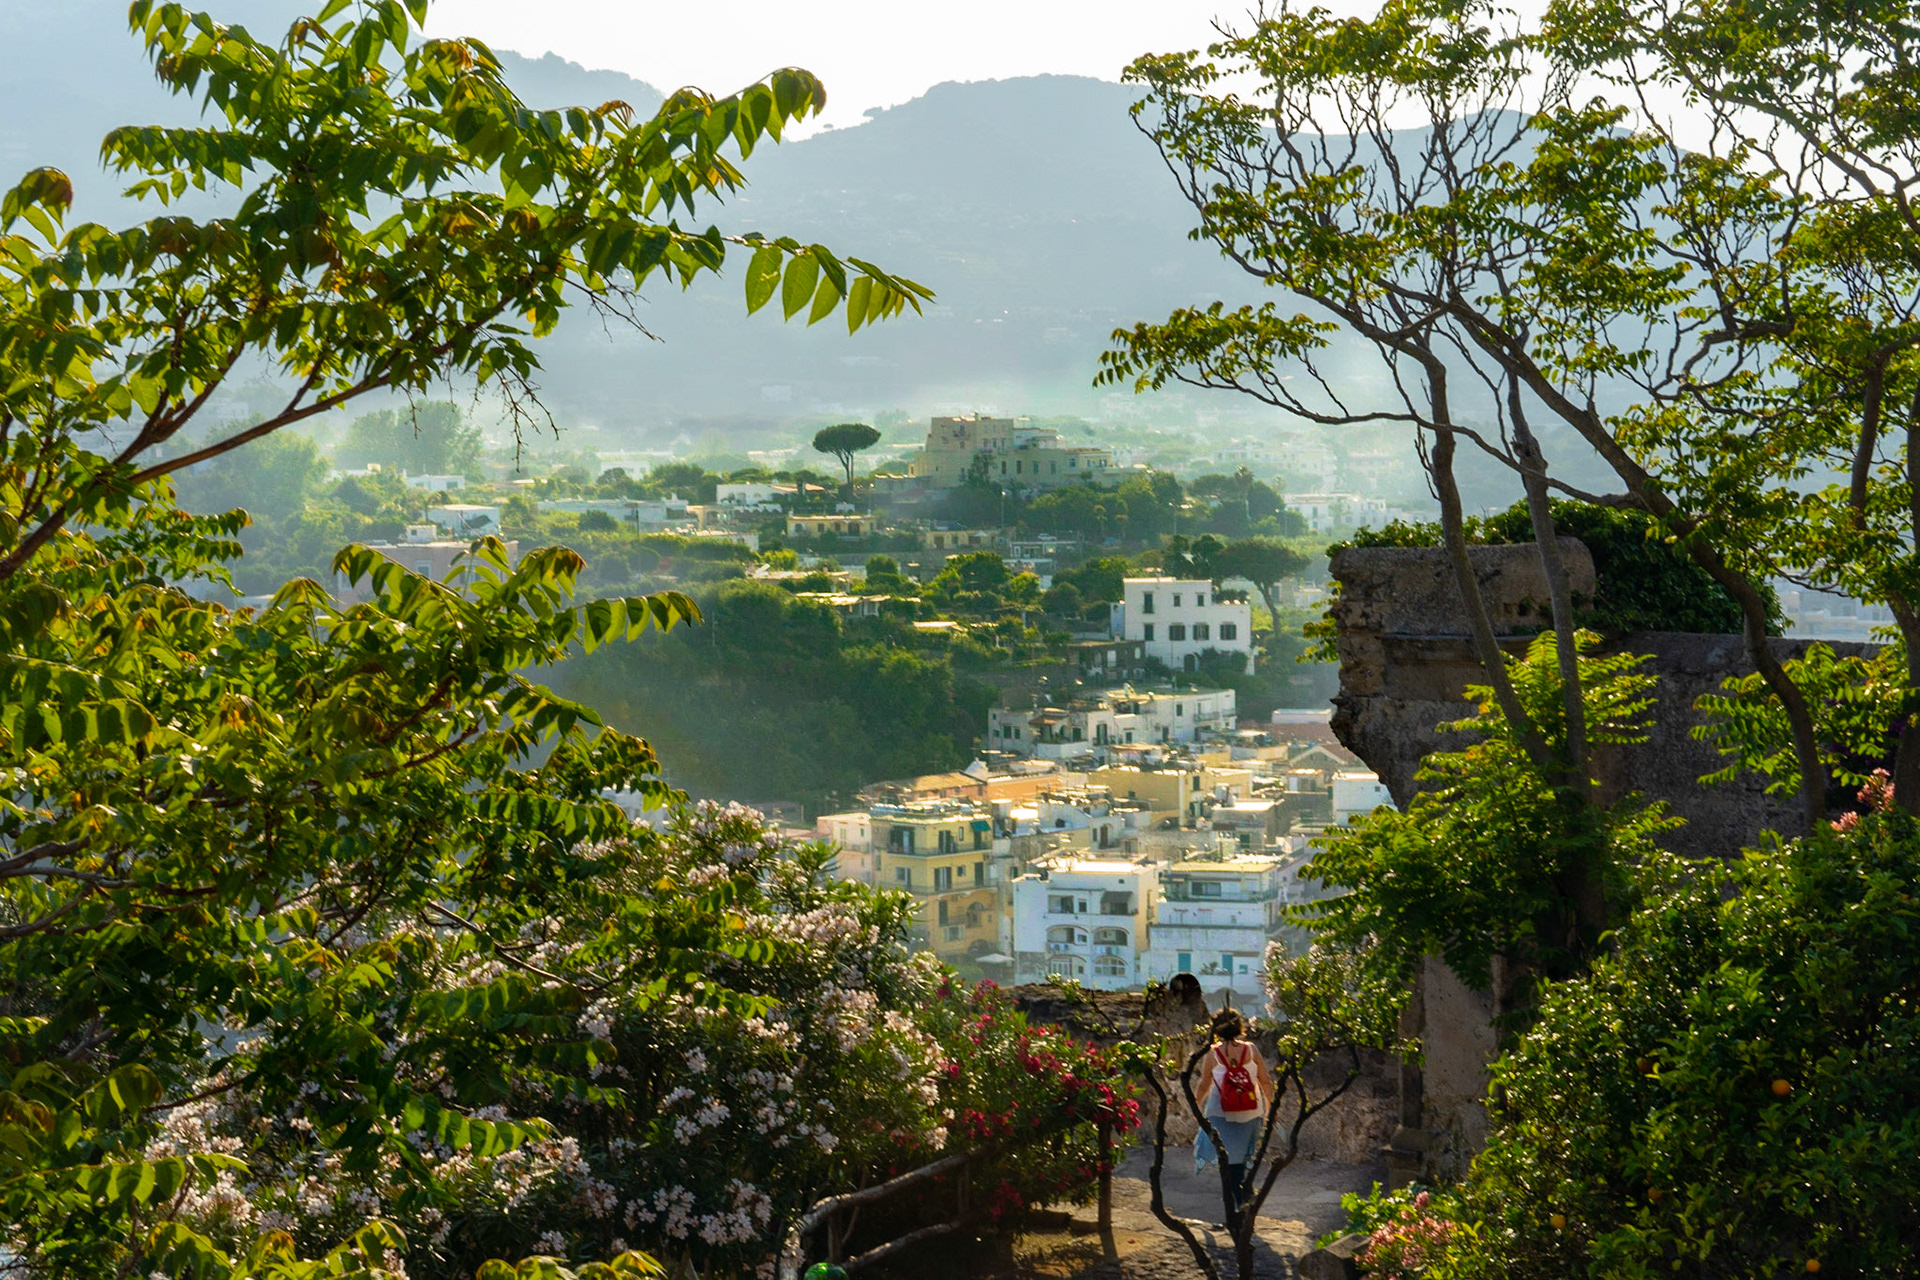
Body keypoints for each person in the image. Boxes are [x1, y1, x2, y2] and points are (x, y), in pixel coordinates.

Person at [1193, 1008, 1273, 1222]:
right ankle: (1243, 1200)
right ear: (1239, 1027)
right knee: (1242, 1161)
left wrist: (1197, 1106)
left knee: (1229, 1164)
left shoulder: (1213, 1053)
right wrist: (1270, 1108)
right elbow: (1265, 1081)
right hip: (1251, 1111)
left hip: (1222, 1114)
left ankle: (1237, 1208)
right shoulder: (1252, 1050)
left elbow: (1204, 1084)